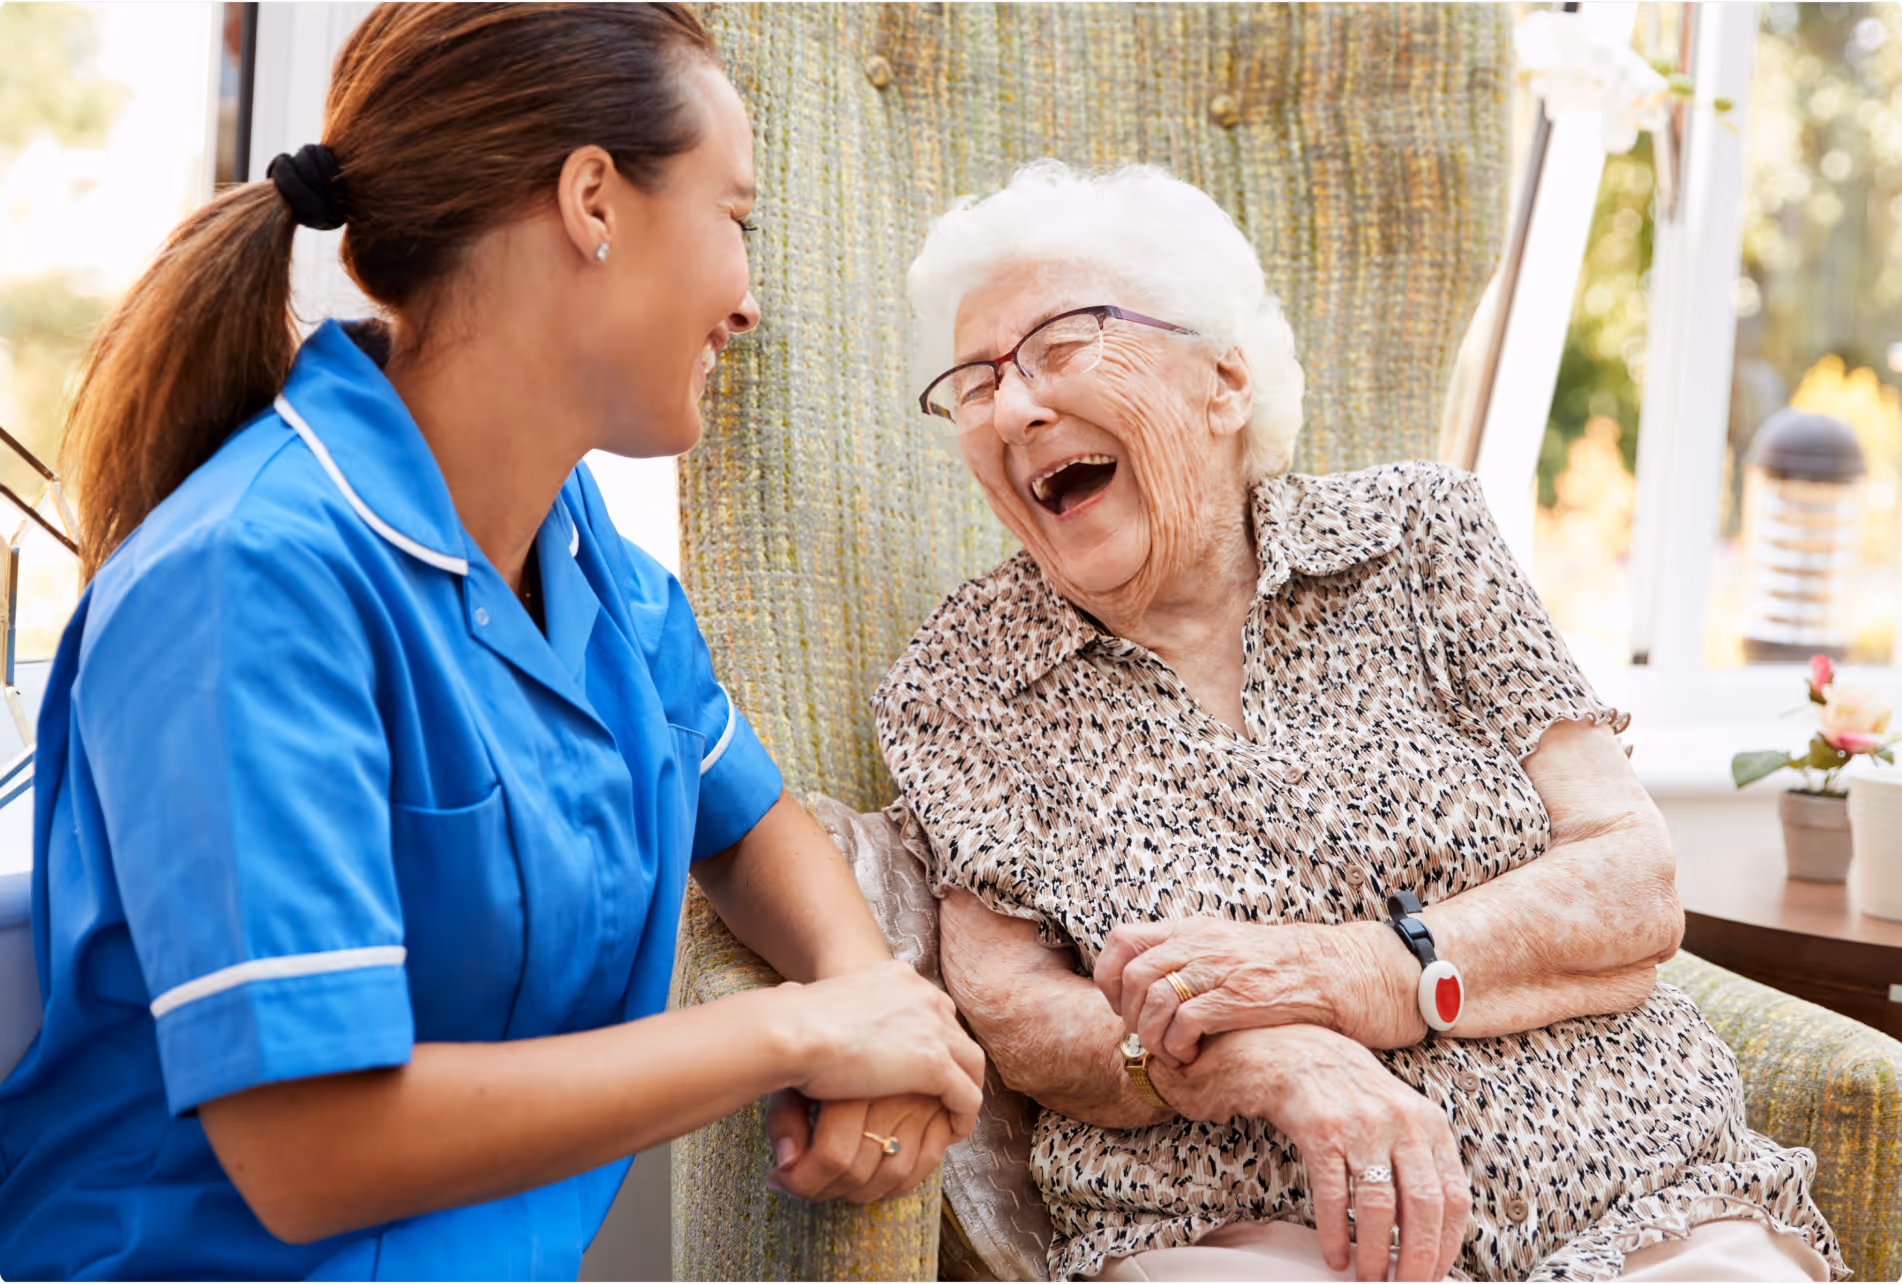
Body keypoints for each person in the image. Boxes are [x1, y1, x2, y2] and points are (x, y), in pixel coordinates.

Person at [0, 6, 984, 1278]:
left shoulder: (575, 553)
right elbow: (310, 1151)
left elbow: (740, 816)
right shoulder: (247, 582)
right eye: (733, 219)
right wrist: (798, 1035)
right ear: (593, 202)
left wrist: (873, 1000)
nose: (747, 301)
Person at [875, 162, 1842, 1283]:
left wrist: (1346, 977)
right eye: (978, 383)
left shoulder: (1420, 537)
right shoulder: (964, 676)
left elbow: (1631, 882)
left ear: (1224, 381)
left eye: (1057, 347)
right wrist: (1279, 1062)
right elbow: (1021, 1017)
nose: (1017, 406)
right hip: (1245, 1218)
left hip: (1637, 1184)